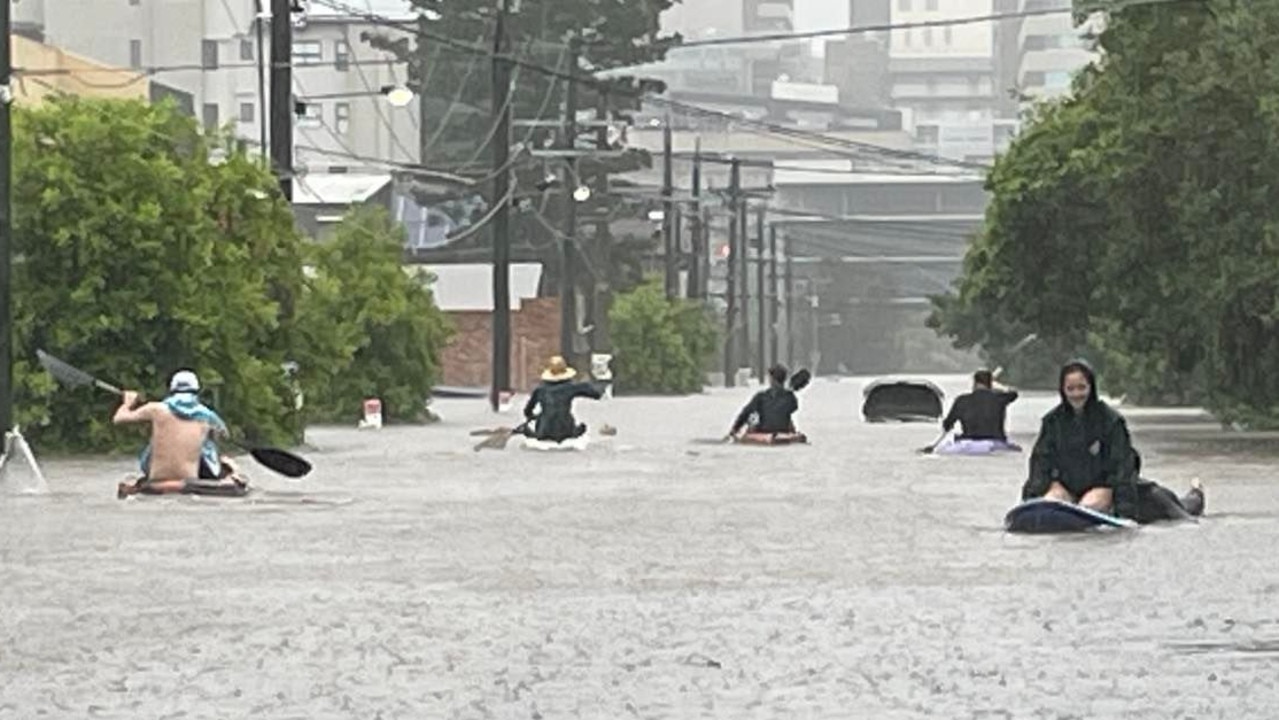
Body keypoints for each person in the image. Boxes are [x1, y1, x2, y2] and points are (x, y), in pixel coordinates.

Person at [1021, 359, 1138, 515]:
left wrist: (1125, 509)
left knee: (1087, 507)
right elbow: (1040, 461)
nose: (1076, 394)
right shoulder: (1052, 421)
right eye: (1071, 389)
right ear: (1063, 390)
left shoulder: (1112, 421)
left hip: (1101, 487)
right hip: (1063, 487)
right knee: (1049, 502)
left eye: (1081, 388)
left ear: (1091, 387)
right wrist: (1030, 499)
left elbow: (1123, 465)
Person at [113, 369, 239, 497]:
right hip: (190, 481)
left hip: (156, 479)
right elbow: (225, 435)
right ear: (196, 391)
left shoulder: (156, 409)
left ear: (171, 390)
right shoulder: (207, 415)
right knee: (223, 460)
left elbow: (119, 418)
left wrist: (127, 402)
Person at [521, 356, 606, 443]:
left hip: (544, 431)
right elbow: (596, 395)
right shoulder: (572, 387)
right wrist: (590, 384)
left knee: (543, 418)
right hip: (566, 431)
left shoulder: (540, 390)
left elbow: (527, 412)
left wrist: (534, 417)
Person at [729, 364, 804, 442]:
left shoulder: (761, 396)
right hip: (783, 431)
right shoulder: (790, 397)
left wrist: (734, 430)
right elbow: (794, 407)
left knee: (753, 419)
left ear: (772, 379)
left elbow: (745, 414)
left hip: (764, 431)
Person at [941, 368, 1019, 442]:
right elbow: (1014, 393)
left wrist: (948, 425)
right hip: (996, 441)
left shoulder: (961, 400)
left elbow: (947, 424)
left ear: (974, 382)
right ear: (990, 384)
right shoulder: (1000, 398)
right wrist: (997, 385)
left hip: (968, 441)